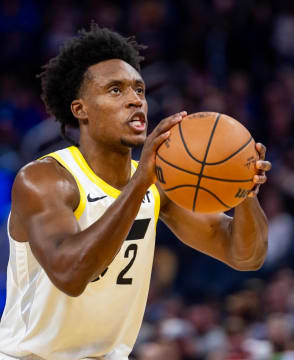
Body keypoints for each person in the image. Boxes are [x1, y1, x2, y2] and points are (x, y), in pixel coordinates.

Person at [0, 24, 271, 360]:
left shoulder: (156, 183)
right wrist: (139, 182)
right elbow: (69, 274)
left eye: (139, 90)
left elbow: (245, 255)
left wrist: (241, 190)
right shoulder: (44, 180)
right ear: (80, 109)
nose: (135, 100)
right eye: (116, 90)